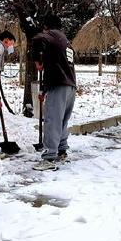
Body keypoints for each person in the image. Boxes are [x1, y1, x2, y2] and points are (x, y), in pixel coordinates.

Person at [32, 15, 76, 169]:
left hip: (59, 85)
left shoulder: (53, 35)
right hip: (70, 86)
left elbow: (37, 39)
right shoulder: (66, 42)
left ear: (47, 27)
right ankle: (62, 150)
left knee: (52, 120)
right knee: (62, 120)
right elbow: (54, 67)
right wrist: (44, 89)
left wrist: (37, 59)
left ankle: (49, 157)